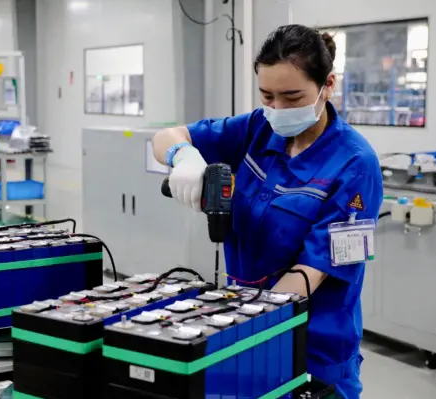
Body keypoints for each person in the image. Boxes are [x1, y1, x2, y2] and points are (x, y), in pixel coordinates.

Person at [152, 25, 383, 399]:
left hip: (311, 347)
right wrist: (185, 156)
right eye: (267, 96)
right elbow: (165, 138)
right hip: (247, 323)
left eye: (292, 97)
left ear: (328, 85)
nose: (277, 109)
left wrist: (237, 326)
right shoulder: (258, 128)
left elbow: (314, 271)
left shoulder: (355, 164)